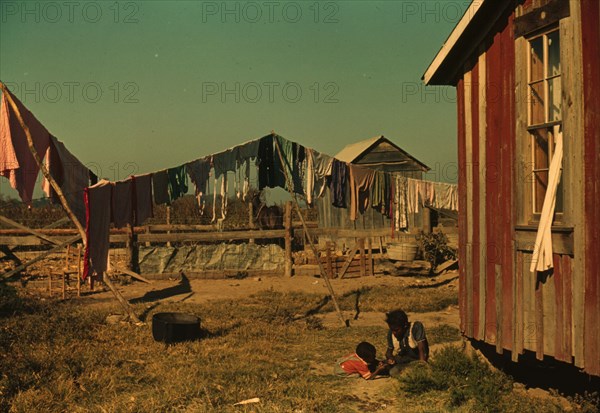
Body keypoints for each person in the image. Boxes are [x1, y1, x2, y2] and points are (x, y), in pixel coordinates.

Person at [385, 309, 429, 376]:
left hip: (416, 360)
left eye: (396, 330)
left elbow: (422, 349)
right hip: (402, 361)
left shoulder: (416, 327)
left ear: (405, 325)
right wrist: (390, 358)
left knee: (394, 372)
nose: (394, 333)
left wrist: (422, 365)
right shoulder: (391, 333)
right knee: (386, 368)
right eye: (392, 330)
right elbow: (389, 352)